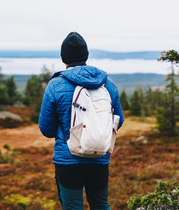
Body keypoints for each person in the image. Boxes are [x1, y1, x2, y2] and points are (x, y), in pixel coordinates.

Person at [38, 32, 124, 210]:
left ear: (64, 58)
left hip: (67, 159)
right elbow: (119, 121)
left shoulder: (55, 84)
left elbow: (46, 129)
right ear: (86, 55)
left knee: (73, 207)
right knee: (100, 204)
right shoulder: (107, 83)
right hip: (99, 157)